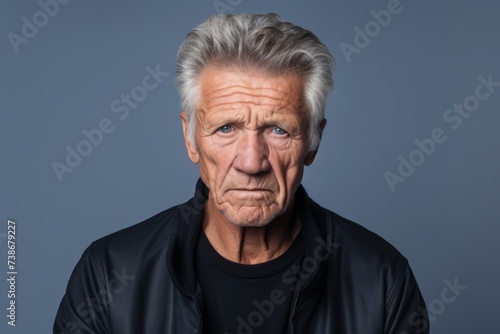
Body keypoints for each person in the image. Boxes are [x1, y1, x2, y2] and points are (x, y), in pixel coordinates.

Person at [54, 13, 429, 334]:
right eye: (226, 128)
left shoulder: (383, 283)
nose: (251, 162)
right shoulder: (107, 275)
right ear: (190, 140)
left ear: (313, 142)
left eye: (278, 130)